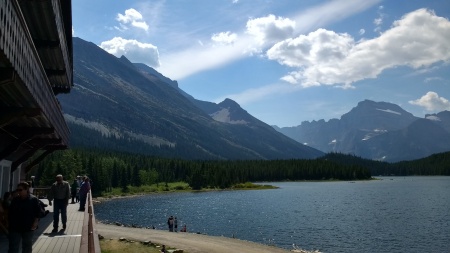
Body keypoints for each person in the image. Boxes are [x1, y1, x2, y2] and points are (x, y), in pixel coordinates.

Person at [8, 182, 41, 253]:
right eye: (17, 190)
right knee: (13, 246)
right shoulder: (15, 200)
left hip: (28, 226)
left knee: (27, 246)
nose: (18, 192)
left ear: (26, 189)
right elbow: (10, 212)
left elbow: (38, 212)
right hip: (15, 227)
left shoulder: (33, 199)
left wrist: (35, 222)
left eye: (20, 190)